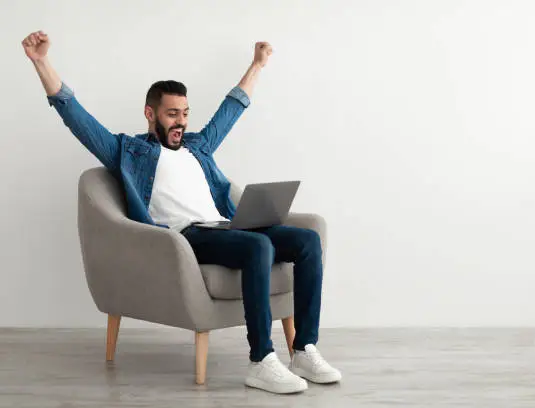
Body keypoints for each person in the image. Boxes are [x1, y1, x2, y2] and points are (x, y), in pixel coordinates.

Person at [22, 30, 341, 394]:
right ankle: (261, 361)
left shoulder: (198, 146)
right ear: (150, 113)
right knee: (258, 248)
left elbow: (232, 109)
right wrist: (41, 62)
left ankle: (304, 350)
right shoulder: (126, 152)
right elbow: (75, 116)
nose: (181, 122)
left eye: (185, 113)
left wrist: (257, 65)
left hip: (228, 226)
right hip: (189, 236)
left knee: (307, 240)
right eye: (172, 114)